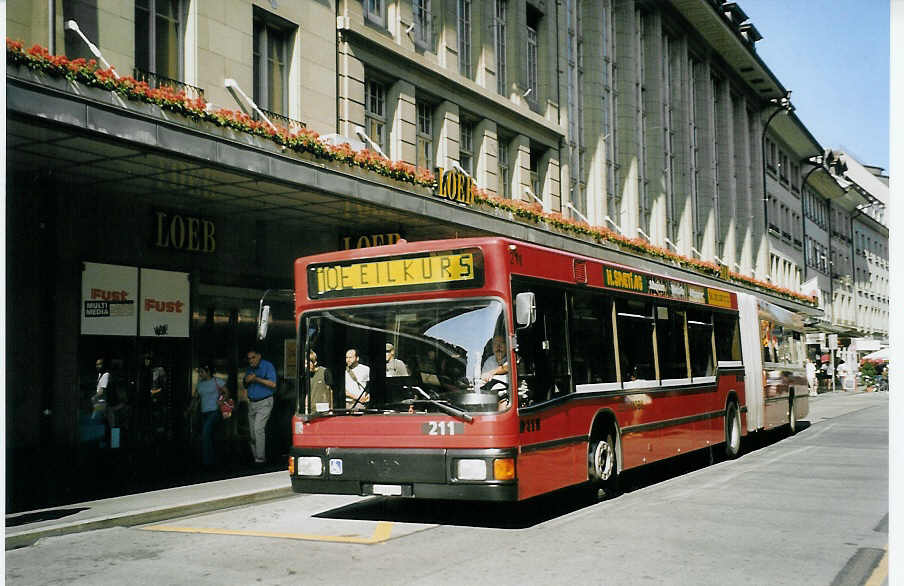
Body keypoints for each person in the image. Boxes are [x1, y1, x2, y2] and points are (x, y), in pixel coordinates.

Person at [244, 348, 277, 464]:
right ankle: (256, 458)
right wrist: (247, 380)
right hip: (252, 403)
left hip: (264, 402)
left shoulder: (267, 366)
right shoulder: (249, 369)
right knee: (252, 434)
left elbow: (273, 384)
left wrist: (256, 379)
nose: (251, 361)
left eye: (253, 357)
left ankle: (260, 459)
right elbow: (245, 383)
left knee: (258, 429)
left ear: (259, 356)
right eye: (249, 359)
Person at [192, 363, 228, 468]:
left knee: (205, 433)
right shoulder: (200, 384)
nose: (200, 374)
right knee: (210, 435)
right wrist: (190, 409)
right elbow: (195, 398)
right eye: (199, 372)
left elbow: (227, 393)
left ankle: (208, 462)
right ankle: (215, 458)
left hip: (215, 412)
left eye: (201, 372)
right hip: (204, 413)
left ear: (208, 372)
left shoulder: (217, 381)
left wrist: (221, 400)